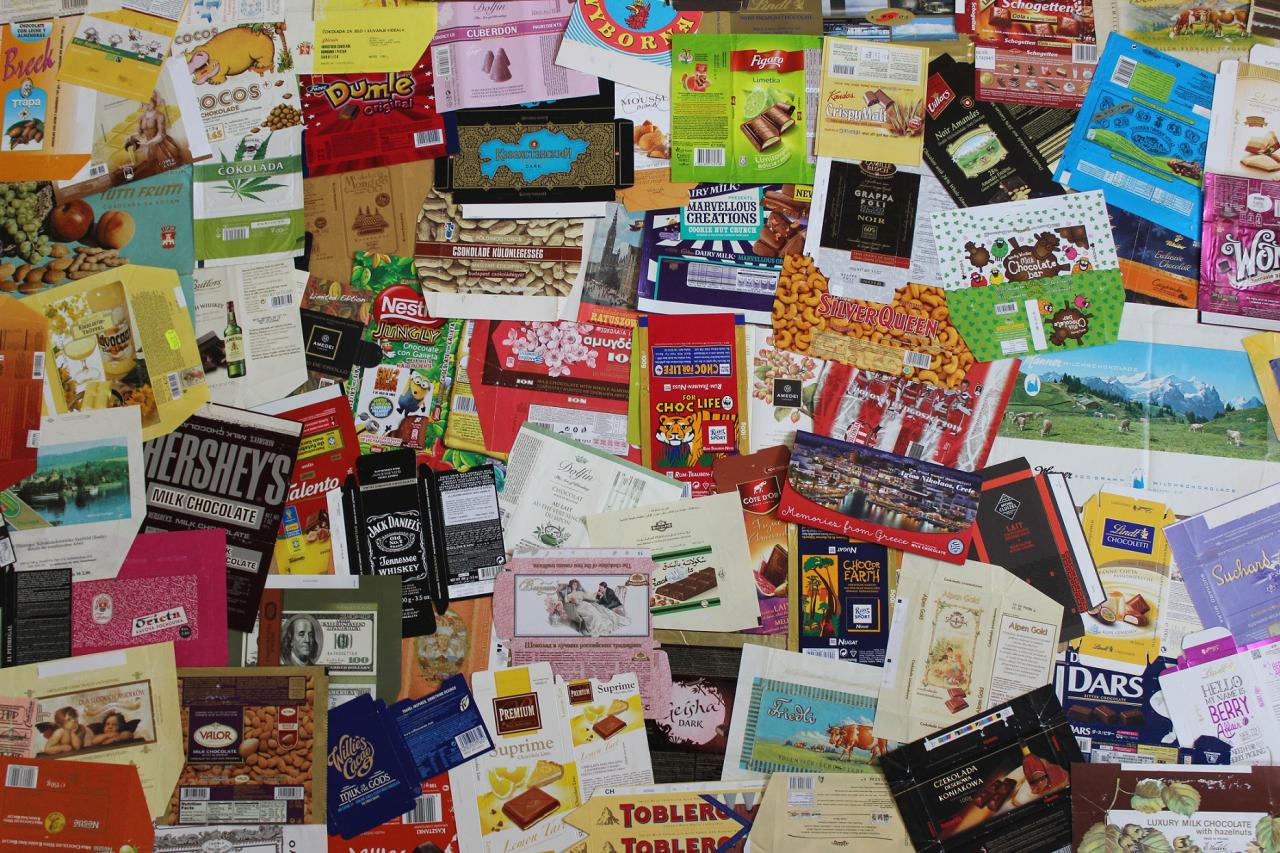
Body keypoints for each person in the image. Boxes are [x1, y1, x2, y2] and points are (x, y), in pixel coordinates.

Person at [124, 90, 184, 174]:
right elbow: (140, 132)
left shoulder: (159, 115)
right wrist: (131, 135)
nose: (146, 106)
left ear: (154, 103)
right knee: (155, 169)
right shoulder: (141, 117)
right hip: (150, 147)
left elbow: (161, 135)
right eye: (144, 104)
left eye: (149, 103)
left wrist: (148, 143)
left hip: (162, 145)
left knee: (169, 168)